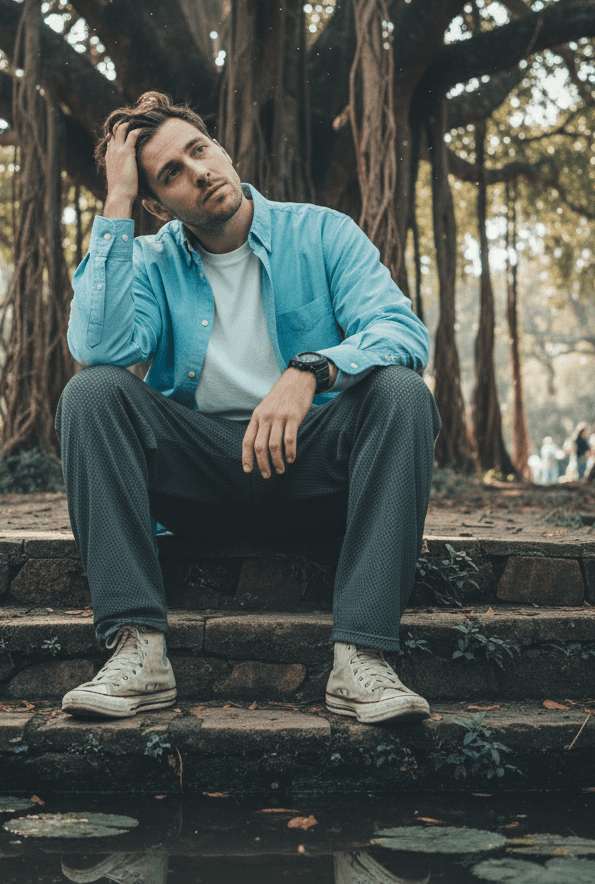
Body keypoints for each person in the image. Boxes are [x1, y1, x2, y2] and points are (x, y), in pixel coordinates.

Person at [56, 92, 440, 725]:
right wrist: (117, 204)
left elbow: (401, 332)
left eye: (199, 150)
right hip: (199, 477)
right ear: (157, 204)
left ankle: (363, 657)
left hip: (312, 471)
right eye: (170, 174)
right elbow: (98, 346)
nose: (199, 173)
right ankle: (138, 650)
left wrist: (310, 371)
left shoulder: (320, 231)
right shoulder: (148, 262)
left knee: (401, 392)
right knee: (91, 393)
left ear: (224, 149)